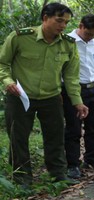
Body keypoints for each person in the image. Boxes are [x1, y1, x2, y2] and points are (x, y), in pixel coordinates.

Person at [0, 2, 89, 186]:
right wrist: (7, 81)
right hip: (20, 97)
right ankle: (22, 179)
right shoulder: (20, 38)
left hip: (51, 98)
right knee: (18, 138)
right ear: (45, 18)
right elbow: (3, 63)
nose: (63, 26)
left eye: (66, 22)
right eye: (59, 20)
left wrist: (77, 102)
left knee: (55, 137)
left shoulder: (68, 44)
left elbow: (71, 77)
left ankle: (58, 175)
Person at [62, 14, 94, 179]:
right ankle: (73, 165)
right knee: (73, 129)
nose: (91, 37)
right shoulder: (65, 41)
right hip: (74, 90)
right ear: (81, 25)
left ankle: (92, 159)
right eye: (89, 33)